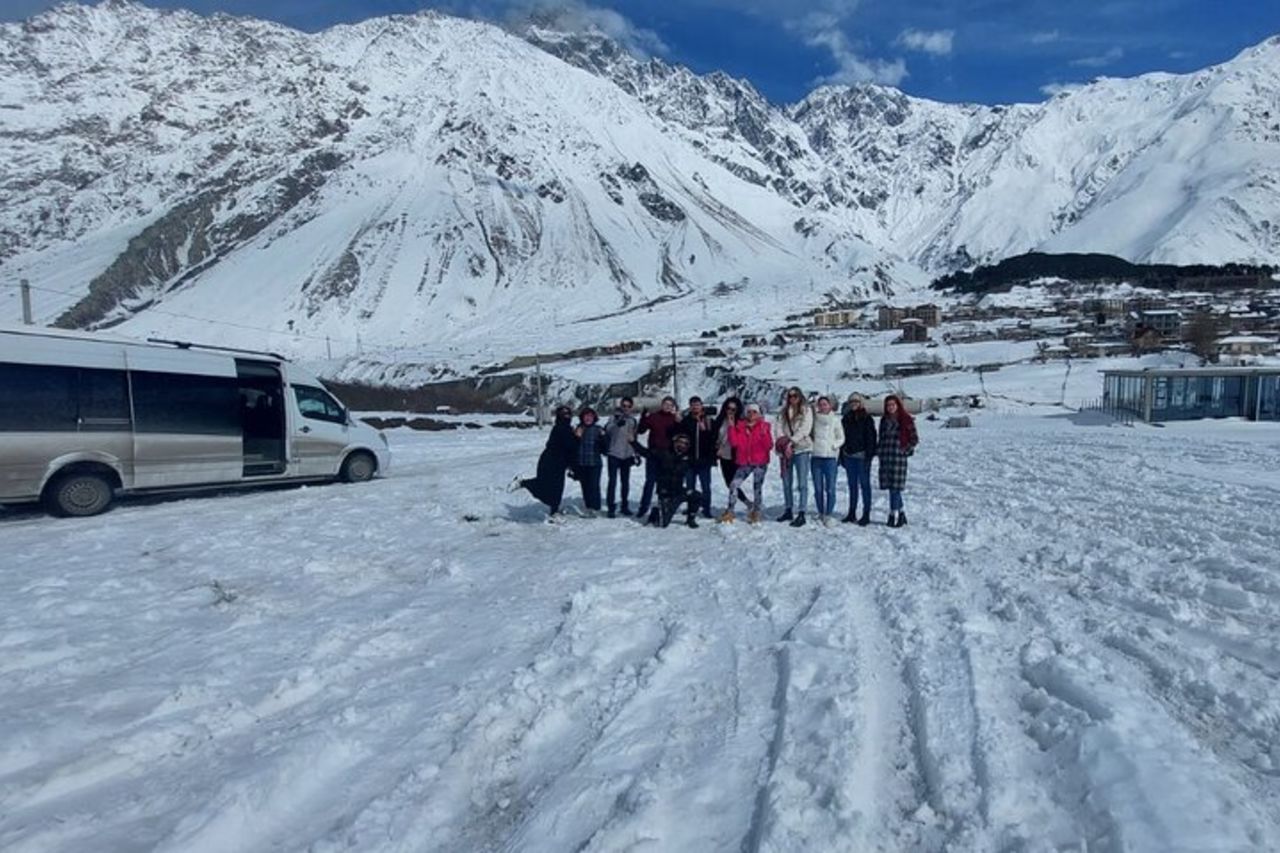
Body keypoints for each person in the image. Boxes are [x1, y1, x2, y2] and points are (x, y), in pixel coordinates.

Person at [510, 405, 577, 520]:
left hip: (560, 464)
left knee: (557, 489)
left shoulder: (567, 428)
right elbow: (569, 446)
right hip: (550, 462)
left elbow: (569, 449)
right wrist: (577, 437)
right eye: (563, 414)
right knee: (546, 486)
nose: (566, 416)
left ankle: (554, 511)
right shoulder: (560, 428)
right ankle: (523, 483)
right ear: (559, 416)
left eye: (568, 414)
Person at [637, 431, 702, 528]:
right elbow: (646, 453)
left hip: (679, 492)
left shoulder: (688, 458)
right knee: (663, 524)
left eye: (685, 443)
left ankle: (690, 519)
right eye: (680, 442)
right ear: (675, 442)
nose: (682, 445)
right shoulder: (664, 454)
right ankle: (655, 512)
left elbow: (702, 461)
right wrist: (633, 442)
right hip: (665, 494)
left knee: (696, 495)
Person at [722, 403, 772, 524]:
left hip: (760, 462)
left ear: (759, 414)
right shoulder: (740, 427)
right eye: (749, 412)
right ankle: (730, 511)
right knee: (733, 484)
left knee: (757, 488)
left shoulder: (764, 426)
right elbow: (734, 443)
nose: (751, 414)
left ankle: (756, 511)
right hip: (745, 462)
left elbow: (769, 446)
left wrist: (764, 433)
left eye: (754, 412)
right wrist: (731, 427)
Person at [878, 394, 919, 528]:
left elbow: (914, 439)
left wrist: (904, 451)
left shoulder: (906, 419)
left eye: (893, 405)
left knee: (895, 489)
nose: (890, 407)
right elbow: (881, 438)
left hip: (898, 459)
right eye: (888, 405)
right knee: (892, 488)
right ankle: (901, 513)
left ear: (898, 405)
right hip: (886, 457)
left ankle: (892, 514)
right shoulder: (884, 420)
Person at [774, 386, 813, 527]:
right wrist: (782, 442)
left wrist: (791, 442)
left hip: (801, 449)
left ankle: (802, 512)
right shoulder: (783, 412)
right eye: (790, 396)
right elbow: (778, 427)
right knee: (786, 481)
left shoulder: (806, 411)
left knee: (802, 483)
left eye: (795, 395)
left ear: (800, 396)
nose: (792, 398)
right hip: (785, 451)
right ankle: (788, 509)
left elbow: (805, 429)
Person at [636, 396, 681, 519]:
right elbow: (641, 430)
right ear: (661, 405)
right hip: (653, 453)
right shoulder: (654, 416)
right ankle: (643, 507)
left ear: (673, 407)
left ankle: (664, 506)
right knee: (650, 481)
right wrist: (643, 418)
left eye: (670, 405)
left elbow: (679, 435)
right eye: (665, 404)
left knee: (664, 483)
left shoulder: (675, 418)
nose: (667, 406)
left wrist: (678, 422)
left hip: (668, 455)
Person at [839, 393, 877, 525]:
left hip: (862, 457)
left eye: (856, 401)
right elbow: (842, 438)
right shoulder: (846, 419)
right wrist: (841, 456)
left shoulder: (867, 419)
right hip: (849, 456)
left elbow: (872, 438)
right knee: (852, 486)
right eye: (851, 401)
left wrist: (870, 455)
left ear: (861, 402)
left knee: (865, 486)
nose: (854, 403)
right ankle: (852, 512)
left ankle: (866, 513)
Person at [678, 396, 717, 518]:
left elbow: (714, 439)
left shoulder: (708, 420)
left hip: (704, 460)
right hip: (690, 460)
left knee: (706, 486)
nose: (695, 407)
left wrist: (705, 431)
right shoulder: (686, 420)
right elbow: (680, 437)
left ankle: (706, 508)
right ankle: (691, 507)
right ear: (690, 407)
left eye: (698, 405)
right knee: (690, 486)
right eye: (693, 405)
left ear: (701, 406)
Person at [809, 395, 844, 526]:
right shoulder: (813, 419)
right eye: (821, 404)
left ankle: (828, 514)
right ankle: (820, 511)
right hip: (816, 457)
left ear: (830, 406)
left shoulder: (835, 419)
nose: (823, 406)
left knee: (830, 488)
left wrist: (833, 446)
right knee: (818, 488)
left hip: (830, 458)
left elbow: (841, 437)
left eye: (825, 404)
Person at [604, 396, 639, 518]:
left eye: (628, 406)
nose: (626, 408)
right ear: (621, 406)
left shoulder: (633, 421)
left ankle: (625, 505)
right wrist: (617, 424)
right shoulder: (614, 418)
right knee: (612, 481)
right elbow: (608, 429)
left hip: (627, 454)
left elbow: (634, 438)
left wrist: (636, 453)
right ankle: (611, 507)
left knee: (625, 482)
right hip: (614, 453)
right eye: (624, 406)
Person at [713, 396, 750, 505]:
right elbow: (715, 435)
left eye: (733, 409)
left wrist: (732, 426)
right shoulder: (720, 421)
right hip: (723, 455)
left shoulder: (741, 423)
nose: (730, 411)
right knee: (728, 482)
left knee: (733, 483)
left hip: (736, 455)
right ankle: (745, 502)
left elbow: (740, 440)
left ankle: (737, 504)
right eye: (728, 408)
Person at [572, 407, 606, 516]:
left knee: (594, 485)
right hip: (581, 462)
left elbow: (605, 448)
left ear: (594, 418)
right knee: (585, 485)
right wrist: (577, 437)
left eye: (590, 416)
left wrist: (603, 437)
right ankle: (588, 506)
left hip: (595, 462)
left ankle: (596, 507)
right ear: (582, 418)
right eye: (585, 416)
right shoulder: (578, 429)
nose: (588, 418)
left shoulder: (598, 429)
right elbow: (572, 447)